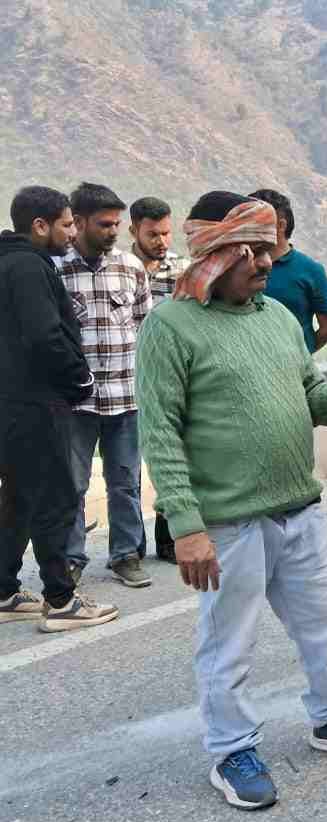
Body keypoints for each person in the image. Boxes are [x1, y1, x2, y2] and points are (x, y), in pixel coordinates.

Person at [137, 191, 327, 810]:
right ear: (213, 254)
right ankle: (231, 751)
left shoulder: (278, 318)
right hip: (227, 524)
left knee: (325, 624)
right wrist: (188, 526)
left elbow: (316, 403)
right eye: (249, 249)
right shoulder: (169, 327)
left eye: (268, 247)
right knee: (229, 643)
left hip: (298, 509)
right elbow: (159, 432)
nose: (265, 261)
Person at [0, 187, 119, 633]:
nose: (72, 233)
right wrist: (80, 378)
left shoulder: (5, 263)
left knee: (18, 497)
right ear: (39, 226)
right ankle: (61, 601)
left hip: (10, 402)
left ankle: (5, 591)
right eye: (67, 224)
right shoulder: (30, 267)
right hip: (36, 402)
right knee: (54, 497)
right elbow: (44, 336)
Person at [56, 183, 153, 589]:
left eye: (117, 223)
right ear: (78, 223)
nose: (113, 231)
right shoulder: (56, 270)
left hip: (125, 398)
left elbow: (146, 326)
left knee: (126, 482)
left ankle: (126, 555)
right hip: (75, 403)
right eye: (104, 224)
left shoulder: (130, 267)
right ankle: (71, 558)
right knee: (72, 485)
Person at [129, 196, 192, 564]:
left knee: (174, 456)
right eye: (153, 234)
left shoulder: (183, 270)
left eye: (167, 233)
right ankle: (128, 549)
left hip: (172, 378)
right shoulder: (119, 268)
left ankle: (169, 539)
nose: (162, 241)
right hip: (128, 379)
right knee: (127, 470)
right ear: (134, 229)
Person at [246, 189, 327, 354]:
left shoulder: (310, 270)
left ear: (281, 225)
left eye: (257, 220)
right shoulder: (240, 266)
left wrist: (300, 357)